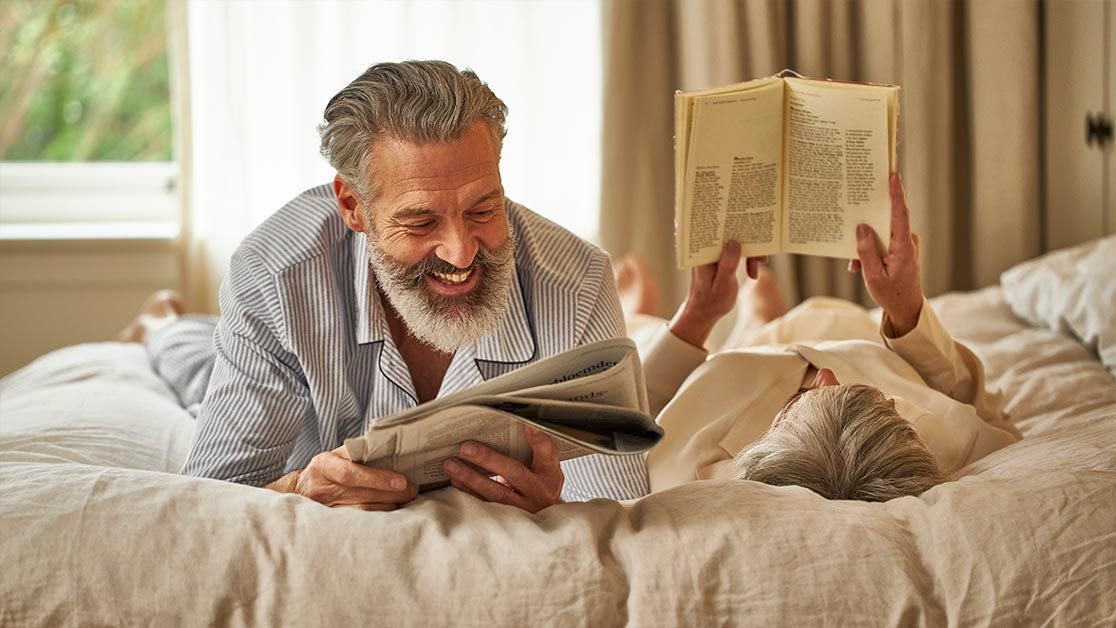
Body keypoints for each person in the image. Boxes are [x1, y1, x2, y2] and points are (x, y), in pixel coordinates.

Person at [121, 60, 644, 513]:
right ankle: (161, 323)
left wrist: (556, 508)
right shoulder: (274, 274)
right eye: (420, 223)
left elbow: (618, 509)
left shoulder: (579, 283)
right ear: (353, 207)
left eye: (483, 209)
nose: (461, 252)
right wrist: (301, 486)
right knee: (197, 372)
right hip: (269, 374)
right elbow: (212, 497)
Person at [626, 173, 1021, 501]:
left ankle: (726, 316)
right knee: (802, 318)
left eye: (801, 400)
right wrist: (905, 306)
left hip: (727, 370)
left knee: (632, 318)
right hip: (840, 335)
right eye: (863, 395)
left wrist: (698, 313)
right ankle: (760, 313)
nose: (826, 375)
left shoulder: (680, 475)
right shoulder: (956, 442)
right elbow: (977, 403)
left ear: (777, 427)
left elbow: (629, 413)